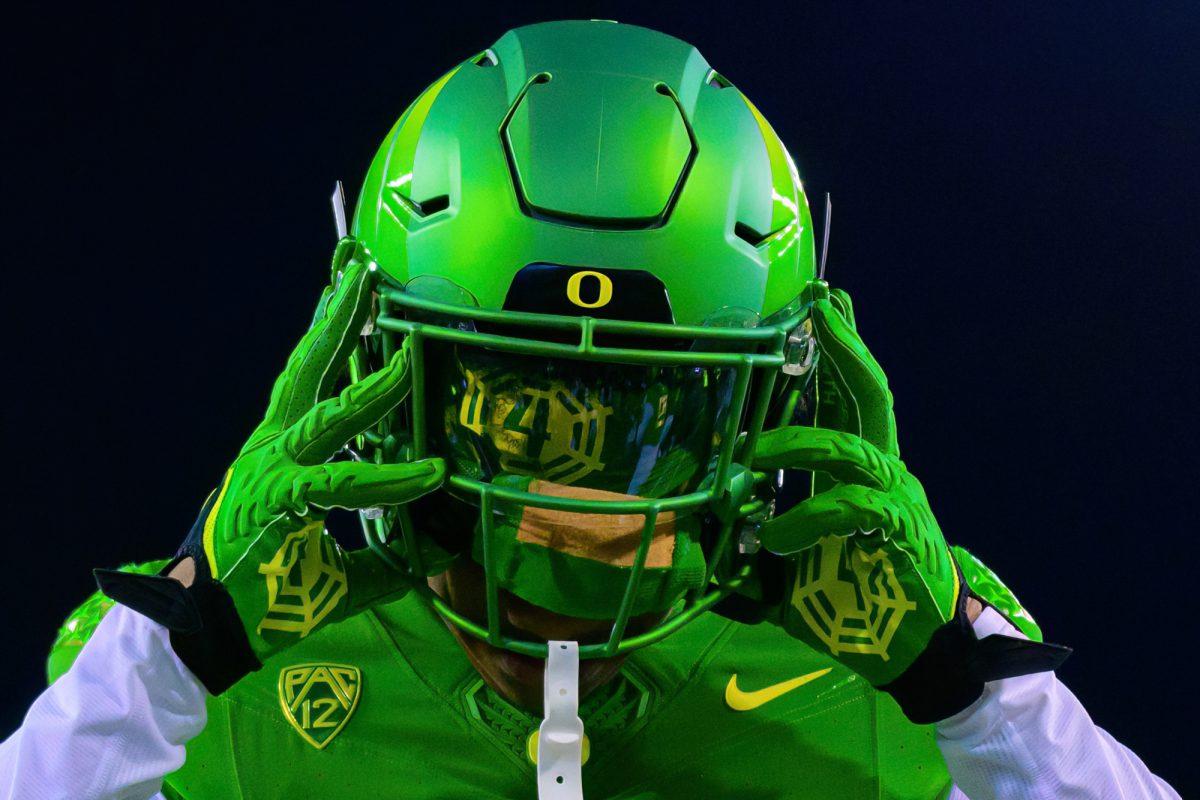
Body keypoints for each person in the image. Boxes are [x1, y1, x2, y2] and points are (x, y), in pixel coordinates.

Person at [0, 20, 1180, 800]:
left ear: (781, 395)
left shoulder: (903, 655)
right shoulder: (202, 676)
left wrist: (969, 697)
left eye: (655, 415)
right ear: (368, 370)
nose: (574, 505)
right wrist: (176, 652)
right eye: (514, 408)